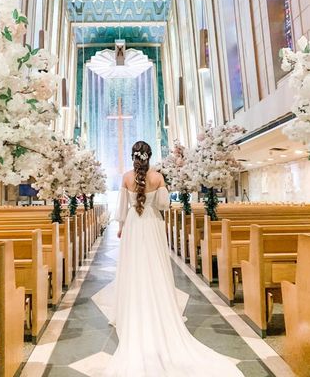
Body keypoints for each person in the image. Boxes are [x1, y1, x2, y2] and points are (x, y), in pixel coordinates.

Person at [103, 141, 244, 377]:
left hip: (134, 228)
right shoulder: (158, 177)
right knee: (155, 267)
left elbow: (122, 209)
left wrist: (121, 227)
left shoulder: (126, 177)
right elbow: (163, 205)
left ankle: (132, 310)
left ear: (133, 157)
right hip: (153, 226)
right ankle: (160, 306)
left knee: (133, 269)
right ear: (150, 156)